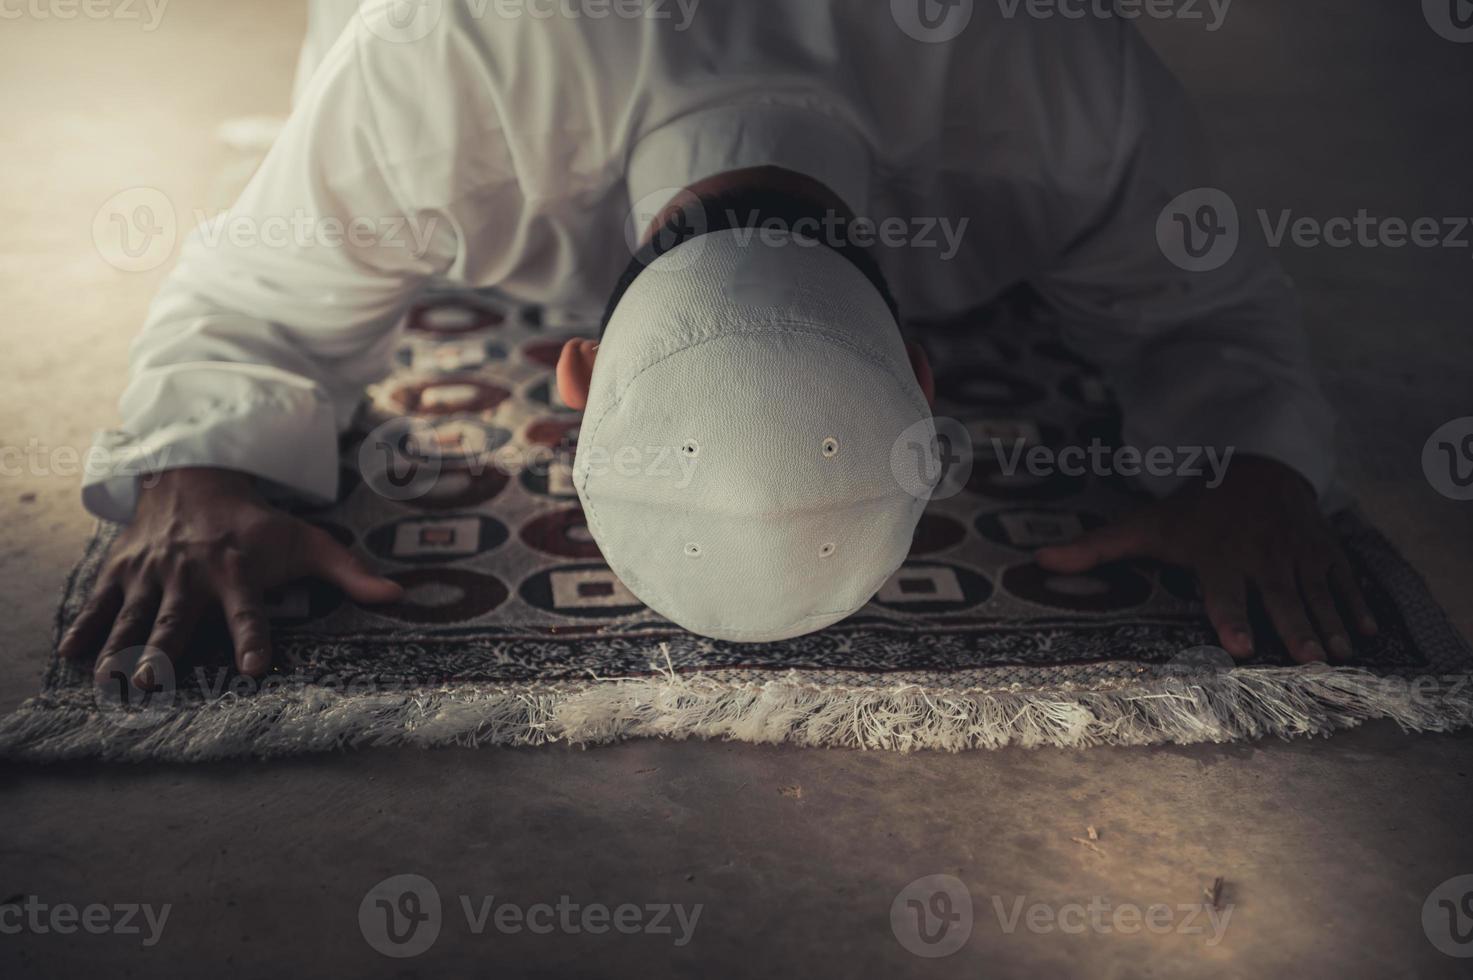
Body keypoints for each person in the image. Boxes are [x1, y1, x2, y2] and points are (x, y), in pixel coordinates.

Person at [61, 0, 1377, 687]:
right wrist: (196, 469)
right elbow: (243, 301)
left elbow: (1212, 315)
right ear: (924, 377)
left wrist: (1251, 472)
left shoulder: (1062, 82)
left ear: (570, 381)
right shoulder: (428, 62)